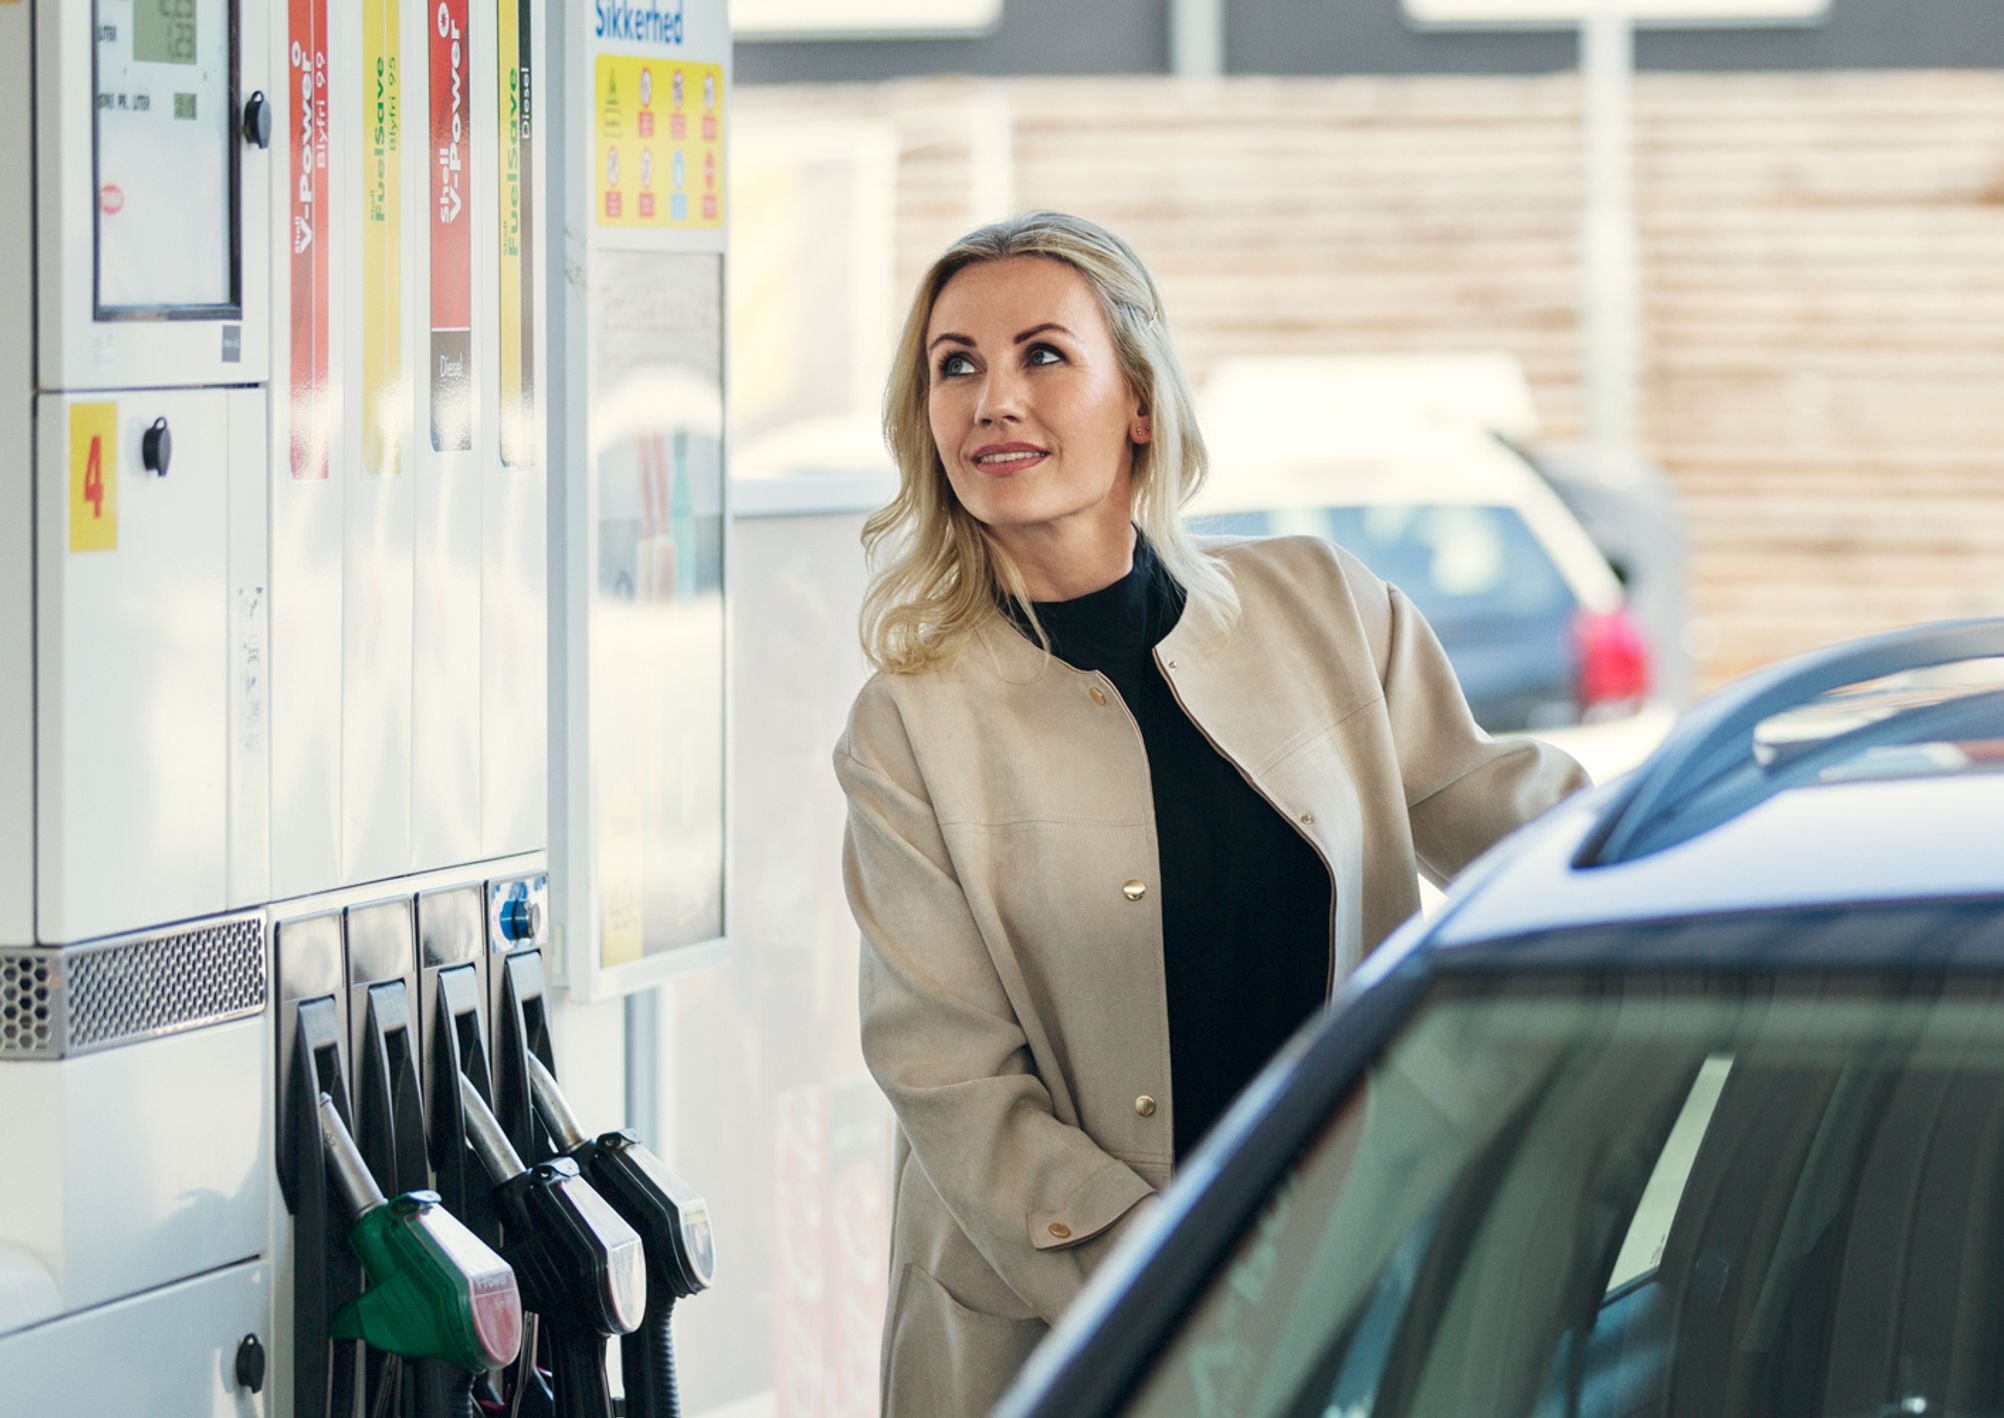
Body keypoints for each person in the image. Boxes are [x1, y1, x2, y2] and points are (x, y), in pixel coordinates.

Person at [834, 211, 1588, 1418]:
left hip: (1348, 1290)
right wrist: (1187, 1281)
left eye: (1042, 354)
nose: (993, 399)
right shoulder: (909, 721)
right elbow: (949, 1073)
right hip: (1063, 1331)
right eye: (956, 365)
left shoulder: (1324, 608)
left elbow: (1521, 825)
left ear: (1138, 399)